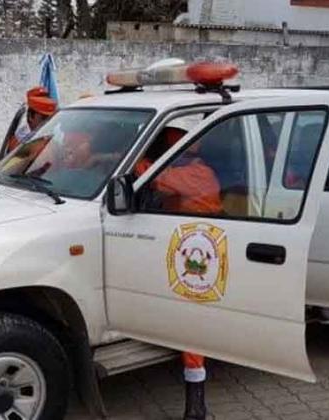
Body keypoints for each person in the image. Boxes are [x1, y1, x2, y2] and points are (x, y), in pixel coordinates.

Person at [136, 125, 221, 420]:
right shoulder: (193, 171)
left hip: (201, 249)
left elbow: (154, 178)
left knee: (191, 326)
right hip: (190, 243)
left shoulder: (196, 173)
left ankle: (196, 406)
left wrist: (131, 157)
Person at [4, 86, 57, 154]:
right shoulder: (23, 141)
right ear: (31, 117)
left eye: (50, 118)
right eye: (44, 118)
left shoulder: (44, 138)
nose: (48, 122)